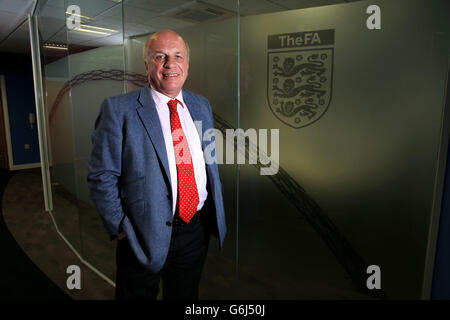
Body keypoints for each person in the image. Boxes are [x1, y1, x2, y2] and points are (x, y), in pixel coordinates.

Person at [87, 29, 226, 300]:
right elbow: (102, 175)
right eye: (160, 56)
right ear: (147, 64)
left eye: (177, 56)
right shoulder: (119, 110)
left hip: (194, 230)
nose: (170, 64)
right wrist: (120, 227)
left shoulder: (201, 105)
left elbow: (206, 164)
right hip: (141, 234)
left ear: (187, 63)